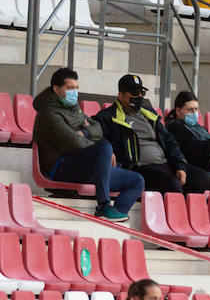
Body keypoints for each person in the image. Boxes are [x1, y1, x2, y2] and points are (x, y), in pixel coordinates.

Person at [32, 67, 144, 221]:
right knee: (104, 147)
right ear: (56, 89)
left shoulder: (73, 107)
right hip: (60, 167)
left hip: (83, 164)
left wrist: (84, 132)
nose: (75, 92)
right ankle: (103, 206)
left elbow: (98, 128)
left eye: (77, 88)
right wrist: (95, 143)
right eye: (70, 88)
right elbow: (74, 142)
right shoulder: (48, 114)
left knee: (137, 180)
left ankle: (114, 215)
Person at [95, 74, 202, 195]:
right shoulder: (107, 117)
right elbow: (95, 136)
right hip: (138, 168)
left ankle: (185, 210)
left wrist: (179, 166)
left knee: (200, 178)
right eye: (135, 93)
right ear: (121, 95)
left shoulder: (149, 114)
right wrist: (108, 151)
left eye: (142, 92)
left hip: (164, 164)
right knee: (171, 184)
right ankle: (172, 211)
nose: (139, 96)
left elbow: (169, 140)